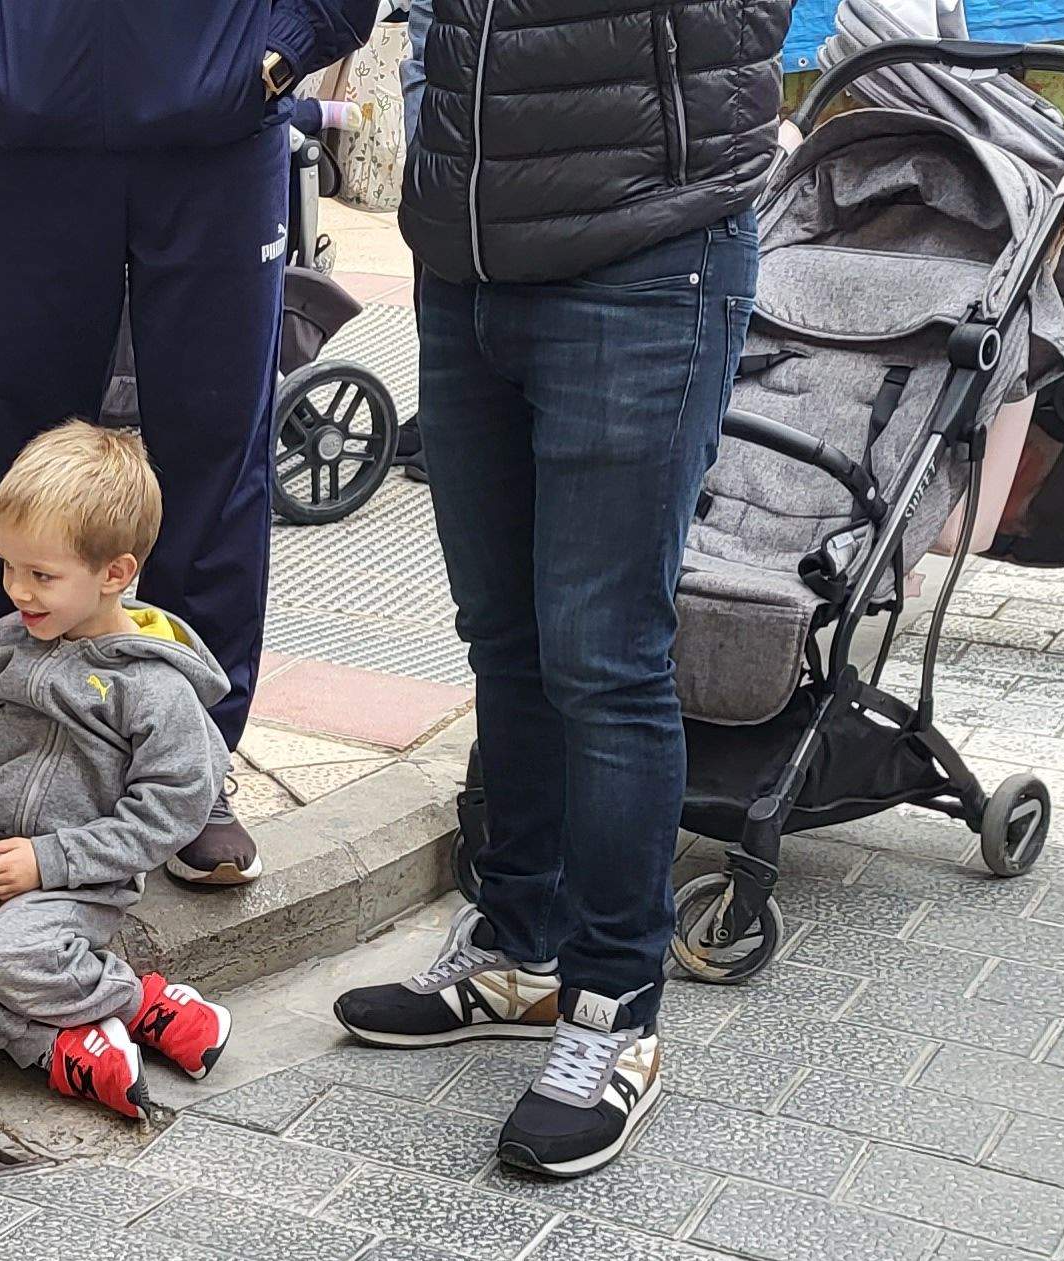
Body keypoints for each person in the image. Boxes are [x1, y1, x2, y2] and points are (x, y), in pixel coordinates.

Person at [326, 0, 781, 1178]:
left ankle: (616, 1009)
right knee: (506, 641)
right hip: (469, 254)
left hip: (644, 250)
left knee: (604, 656)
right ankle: (516, 949)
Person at [0, 0, 378, 888]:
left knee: (213, 459)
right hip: (27, 137)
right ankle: (10, 737)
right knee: (26, 461)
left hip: (222, 137)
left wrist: (278, 54)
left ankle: (191, 764)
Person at [0, 423, 234, 1120]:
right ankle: (51, 1049)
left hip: (81, 868)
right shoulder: (3, 646)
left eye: (42, 576)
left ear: (114, 574)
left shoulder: (154, 688)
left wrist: (50, 861)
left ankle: (141, 1002)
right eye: (8, 568)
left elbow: (171, 810)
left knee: (8, 957)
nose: (17, 592)